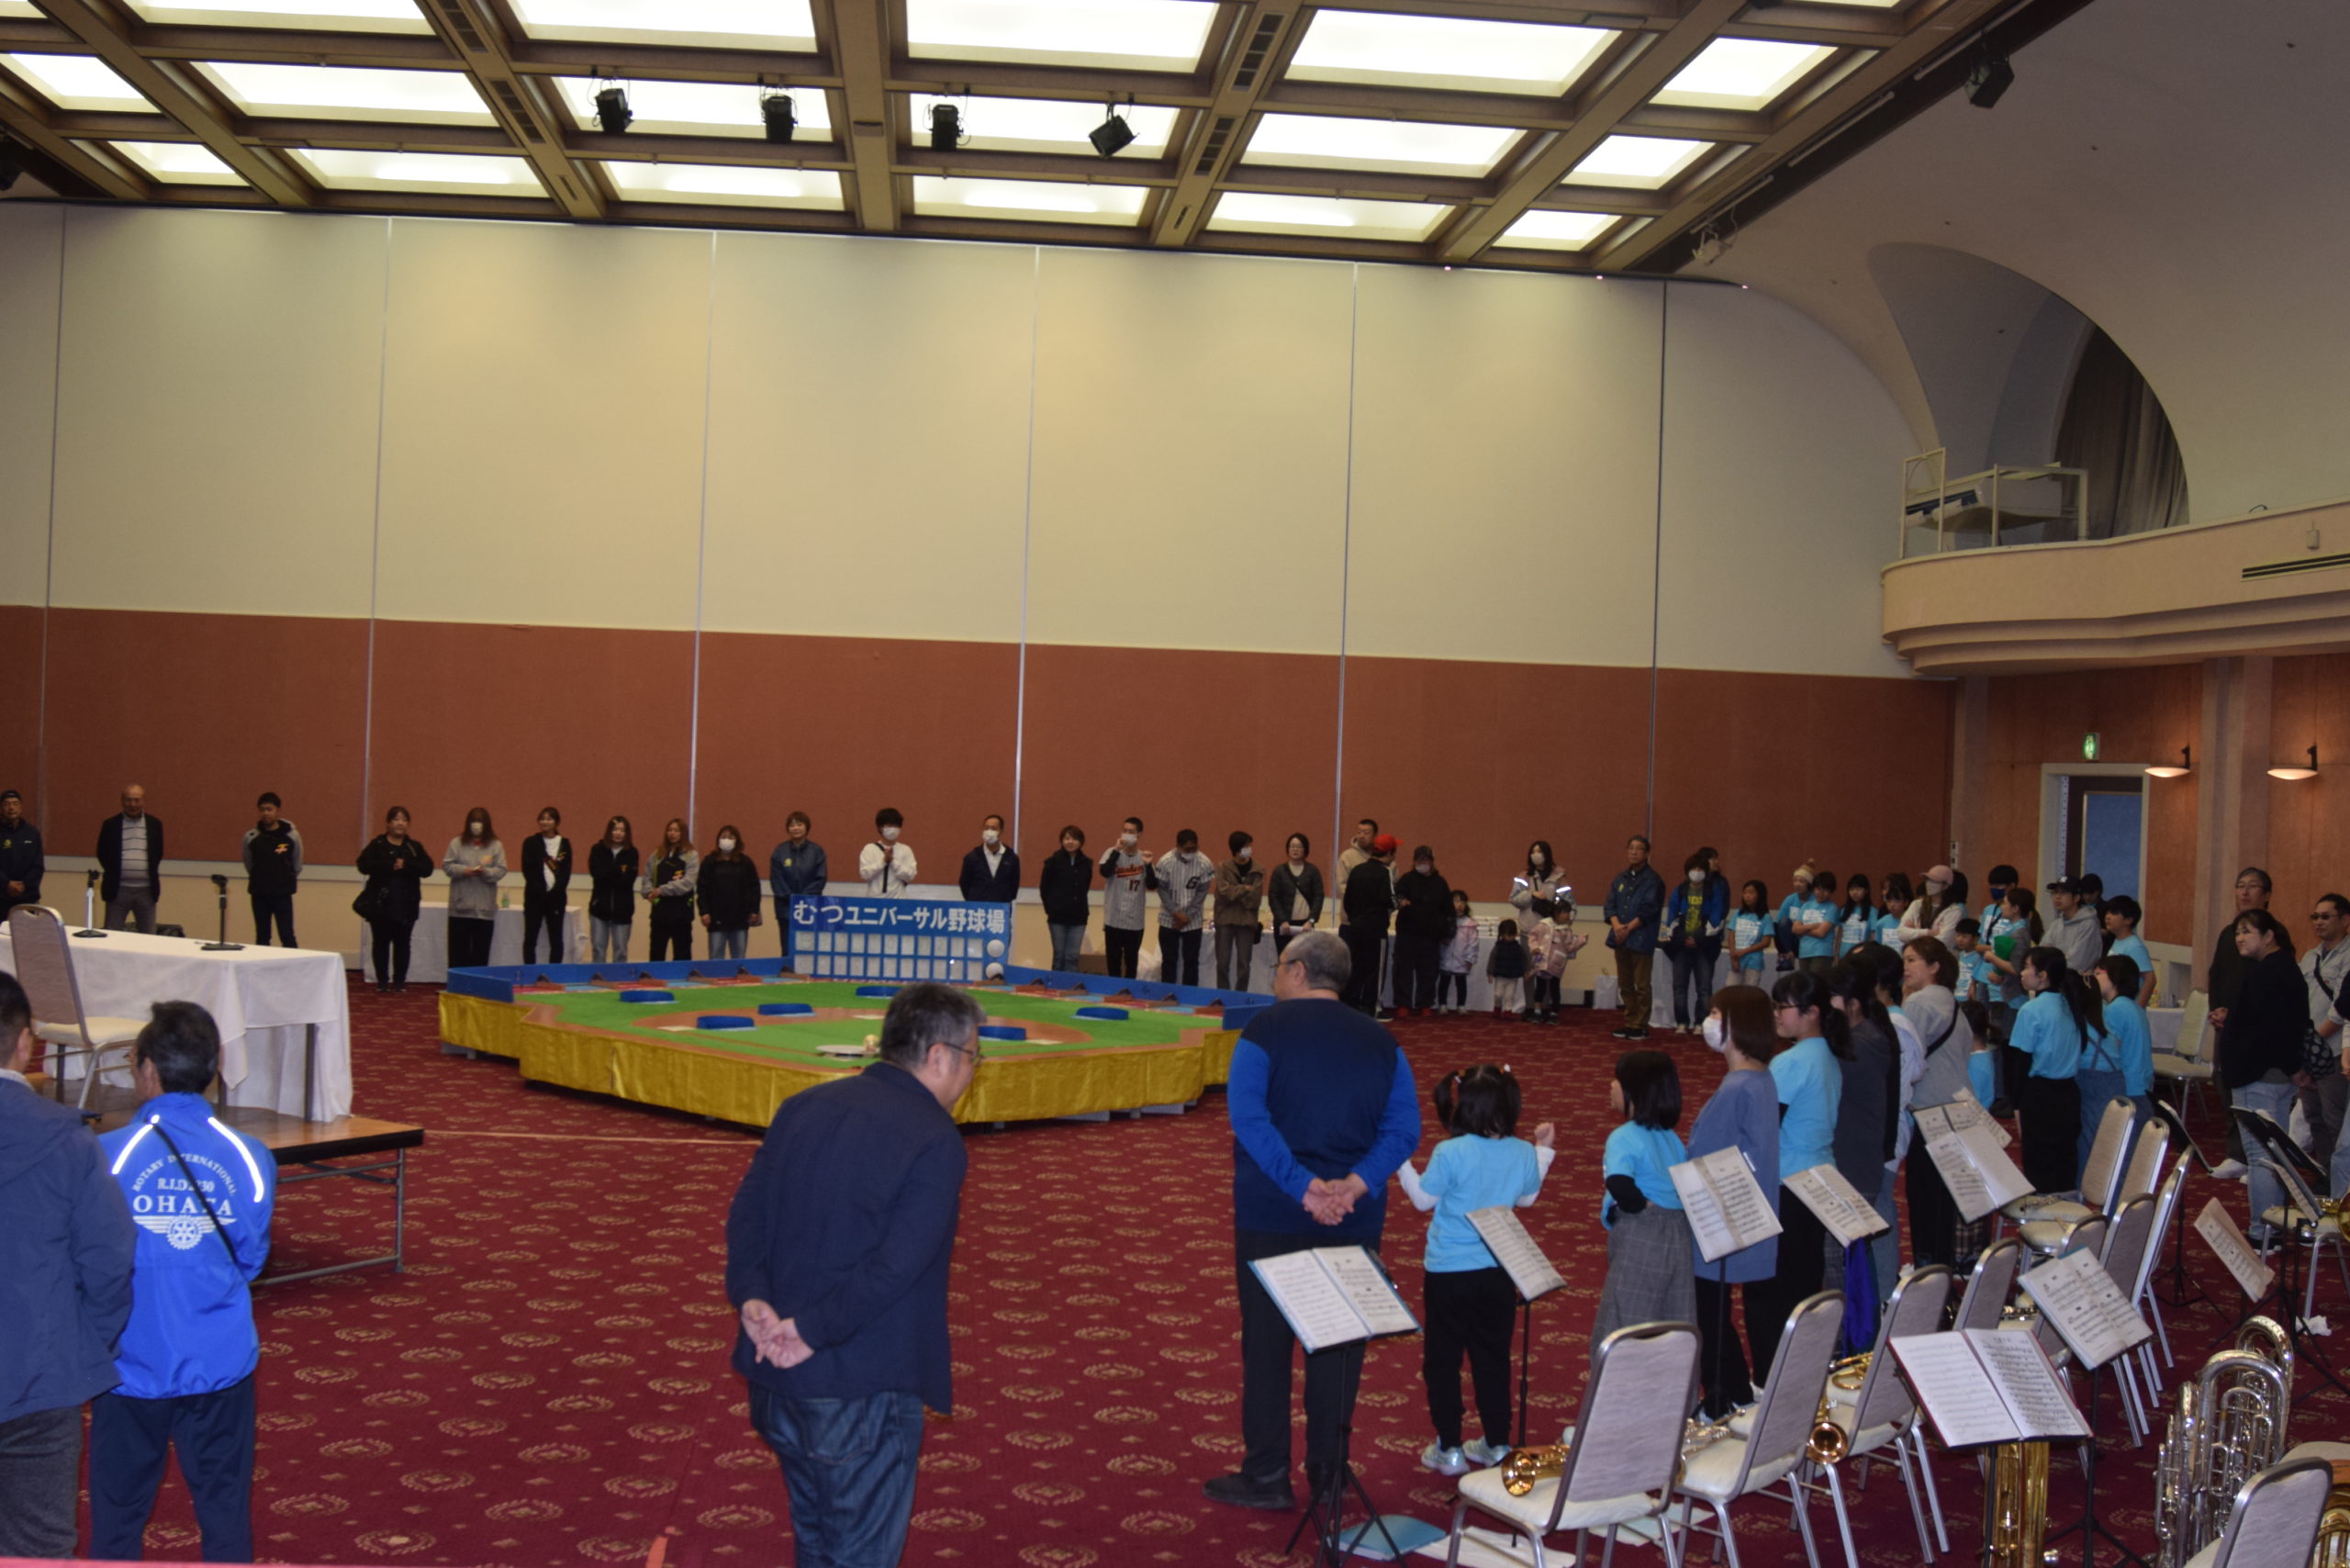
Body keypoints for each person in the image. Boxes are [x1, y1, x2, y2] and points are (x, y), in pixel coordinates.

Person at [724, 982, 985, 1568]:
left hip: (776, 1380)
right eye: (974, 1056)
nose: (974, 1072)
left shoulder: (805, 1105)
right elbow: (896, 1265)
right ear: (939, 1056)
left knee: (816, 1539)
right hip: (857, 1390)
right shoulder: (934, 1139)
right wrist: (810, 1332)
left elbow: (746, 1216)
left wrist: (752, 1298)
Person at [1206, 931, 1419, 1513]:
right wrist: (1354, 1184)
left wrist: (1303, 1187)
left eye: (1280, 966)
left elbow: (1249, 1119)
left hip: (1272, 1212)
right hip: (1354, 1216)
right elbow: (1404, 1130)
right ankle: (1329, 1473)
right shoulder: (1382, 1041)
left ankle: (1267, 1473)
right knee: (1341, 1347)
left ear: (1298, 971)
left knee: (1266, 1348)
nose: (1276, 977)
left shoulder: (1262, 1031)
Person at [91, 1002, 274, 1562]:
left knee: (116, 1523)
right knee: (225, 1515)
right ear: (214, 1067)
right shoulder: (251, 1157)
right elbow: (250, 1260)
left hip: (130, 1365)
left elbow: (92, 1264)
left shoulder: (107, 1156)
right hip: (220, 1362)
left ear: (147, 1069)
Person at [0, 969, 135, 1560]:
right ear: (25, 1042)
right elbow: (109, 1263)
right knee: (38, 1544)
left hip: (42, 1368)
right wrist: (80, 1348)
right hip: (40, 1372)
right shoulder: (70, 1141)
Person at [1395, 1065, 1555, 1473]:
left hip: (1449, 1272)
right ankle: (1497, 1443)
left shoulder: (1452, 1151)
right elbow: (1527, 1198)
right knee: (1493, 1357)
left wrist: (1400, 1162)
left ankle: (1449, 1447)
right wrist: (1542, 1150)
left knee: (1443, 1360)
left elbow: (1422, 1200)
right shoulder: (1522, 1150)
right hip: (1499, 1273)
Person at [1685, 986, 1781, 1418]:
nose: (1709, 1022)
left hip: (1719, 1216)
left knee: (1710, 1314)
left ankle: (1722, 1396)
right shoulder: (1759, 1078)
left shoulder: (1737, 1086)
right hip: (1741, 1208)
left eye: (1715, 1014)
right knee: (1716, 1312)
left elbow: (1706, 1156)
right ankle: (1737, 1390)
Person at [1749, 969, 1844, 1378]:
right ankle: (1800, 1375)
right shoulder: (1827, 1054)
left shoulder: (1791, 1061)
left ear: (1812, 1012)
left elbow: (1765, 1127)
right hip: (1819, 1180)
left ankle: (1770, 1380)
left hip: (1787, 1183)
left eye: (1783, 1007)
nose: (1776, 1015)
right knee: (1803, 1284)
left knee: (1770, 1291)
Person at [2216, 910, 2310, 1249]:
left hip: (2259, 1076)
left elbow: (2275, 1030)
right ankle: (2275, 1227)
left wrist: (2292, 1065)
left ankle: (2262, 1232)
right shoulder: (2283, 967)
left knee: (2261, 1157)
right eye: (2237, 932)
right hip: (2275, 1075)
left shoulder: (2268, 971)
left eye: (2247, 931)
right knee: (2273, 1155)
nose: (2239, 938)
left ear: (2269, 936)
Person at [1591, 1050, 1694, 1346]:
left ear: (1634, 1092)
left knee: (1624, 1326)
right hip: (1678, 1235)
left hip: (1643, 1235)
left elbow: (1618, 1182)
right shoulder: (1670, 1136)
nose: (1611, 1085)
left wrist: (1641, 1206)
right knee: (1672, 1323)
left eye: (1618, 1080)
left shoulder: (1623, 1136)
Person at [1824, 956, 1898, 1314]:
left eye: (1831, 999)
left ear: (1852, 1003)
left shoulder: (1860, 1044)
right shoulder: (1863, 1035)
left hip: (1851, 1167)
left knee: (1839, 1269)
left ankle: (1848, 1338)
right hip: (1856, 1162)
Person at [1899, 936, 1975, 1268]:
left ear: (1934, 967)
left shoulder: (1919, 1003)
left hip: (1931, 1110)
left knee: (1925, 1197)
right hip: (1957, 1106)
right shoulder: (1952, 1002)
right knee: (1945, 1196)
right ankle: (1941, 1266)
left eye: (1912, 960)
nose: (1905, 967)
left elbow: (1907, 1060)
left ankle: (1928, 1269)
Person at [2009, 946, 2098, 1194]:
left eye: (2027, 967)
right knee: (2064, 1159)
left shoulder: (2032, 1010)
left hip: (2040, 1095)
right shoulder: (2069, 1004)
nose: (2022, 973)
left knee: (2039, 1162)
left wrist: (2016, 1105)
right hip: (2068, 1093)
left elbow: (2021, 1062)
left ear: (2043, 975)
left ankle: (2043, 1213)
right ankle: (2067, 1211)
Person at [2208, 868, 2274, 1174]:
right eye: (2240, 886)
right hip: (2226, 1026)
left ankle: (2256, 1160)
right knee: (2226, 1086)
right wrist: (2217, 1010)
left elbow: (2266, 987)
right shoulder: (2227, 934)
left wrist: (2237, 1015)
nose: (2245, 892)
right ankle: (2236, 1153)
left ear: (2267, 895)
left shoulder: (2273, 936)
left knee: (2253, 1093)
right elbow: (2216, 976)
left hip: (2254, 1029)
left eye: (2252, 886)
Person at [2086, 953, 2157, 1157]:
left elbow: (2110, 1052)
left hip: (2128, 1088)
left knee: (2119, 1153)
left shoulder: (2114, 1010)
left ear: (2114, 978)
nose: (2094, 980)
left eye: (2098, 974)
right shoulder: (2133, 1007)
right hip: (2142, 1085)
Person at [2299, 893, 2350, 1173]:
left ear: (2345, 920)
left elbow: (2340, 1010)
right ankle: (2325, 1173)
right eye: (2315, 917)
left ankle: (2340, 1181)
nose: (2318, 922)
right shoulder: (2311, 956)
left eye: (2325, 916)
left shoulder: (2348, 956)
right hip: (2310, 1049)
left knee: (2334, 1119)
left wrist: (2314, 1044)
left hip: (2335, 1052)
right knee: (2314, 1116)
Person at [355, 807, 431, 991]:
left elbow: (427, 869)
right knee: (380, 943)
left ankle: (399, 981)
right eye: (396, 819)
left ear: (408, 824)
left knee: (403, 944)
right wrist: (389, 865)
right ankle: (382, 981)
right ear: (388, 823)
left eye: (404, 820)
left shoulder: (414, 847)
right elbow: (363, 865)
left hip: (406, 904)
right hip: (380, 904)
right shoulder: (377, 845)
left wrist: (407, 865)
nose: (400, 823)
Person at [1603, 835, 1665, 1039]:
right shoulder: (1621, 878)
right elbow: (1610, 905)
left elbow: (1649, 910)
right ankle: (1630, 1021)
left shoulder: (1653, 880)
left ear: (1646, 853)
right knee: (1625, 983)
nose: (1634, 852)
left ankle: (1641, 1024)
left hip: (1641, 937)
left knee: (1642, 985)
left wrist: (1627, 928)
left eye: (1639, 849)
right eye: (1631, 848)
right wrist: (1617, 926)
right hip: (1620, 936)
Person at [1662, 852, 1727, 1034]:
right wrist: (1682, 938)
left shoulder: (1714, 891)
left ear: (1706, 872)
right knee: (1679, 986)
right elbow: (1671, 918)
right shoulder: (1680, 890)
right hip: (1681, 945)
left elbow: (1717, 918)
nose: (1697, 872)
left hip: (1705, 946)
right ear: (1687, 871)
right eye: (1693, 869)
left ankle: (1701, 1022)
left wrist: (1699, 938)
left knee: (1704, 988)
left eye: (1700, 869)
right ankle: (1682, 1022)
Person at [442, 807, 506, 971]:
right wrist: (465, 871)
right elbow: (447, 866)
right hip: (460, 909)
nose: (476, 825)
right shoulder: (457, 843)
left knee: (480, 955)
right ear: (468, 823)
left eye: (480, 821)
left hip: (484, 909)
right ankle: (457, 984)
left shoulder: (496, 845)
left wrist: (486, 872)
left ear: (487, 824)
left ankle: (478, 984)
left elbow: (501, 870)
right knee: (457, 955)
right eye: (474, 821)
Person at [1340, 835, 1398, 1017]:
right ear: (1389, 853)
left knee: (1356, 967)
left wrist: (1355, 917)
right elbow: (1390, 900)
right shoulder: (1385, 873)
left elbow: (1347, 901)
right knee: (1375, 970)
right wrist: (1398, 903)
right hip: (1376, 930)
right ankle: (1371, 1007)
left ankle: (1351, 1005)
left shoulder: (1357, 870)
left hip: (1355, 928)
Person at [1391, 846, 1451, 1017]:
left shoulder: (1441, 883)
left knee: (1429, 972)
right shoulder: (1406, 879)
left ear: (1431, 862)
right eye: (1419, 860)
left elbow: (1448, 911)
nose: (1422, 863)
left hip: (1430, 935)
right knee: (1403, 970)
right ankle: (1403, 1003)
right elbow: (1397, 895)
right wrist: (1401, 900)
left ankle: (1425, 1004)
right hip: (1407, 933)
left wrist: (1447, 933)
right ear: (1414, 861)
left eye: (1425, 860)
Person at [95, 783, 163, 933]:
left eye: (136, 800)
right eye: (128, 800)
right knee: (112, 936)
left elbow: (157, 853)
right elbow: (102, 853)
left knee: (148, 938)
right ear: (122, 801)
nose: (132, 804)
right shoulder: (110, 825)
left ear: (143, 801)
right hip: (118, 891)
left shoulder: (155, 824)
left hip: (146, 892)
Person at [239, 792, 301, 947]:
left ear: (277, 811)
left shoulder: (291, 836)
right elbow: (248, 863)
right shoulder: (251, 837)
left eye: (269, 809)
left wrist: (285, 877)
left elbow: (297, 862)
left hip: (282, 893)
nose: (266, 813)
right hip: (259, 893)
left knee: (287, 934)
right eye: (262, 810)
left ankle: (292, 962)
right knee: (262, 935)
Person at [1155, 830, 1216, 988]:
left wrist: (1187, 916)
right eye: (1187, 849)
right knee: (1169, 960)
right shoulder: (1165, 862)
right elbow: (1161, 889)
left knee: (1191, 961)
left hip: (1193, 921)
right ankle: (1167, 992)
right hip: (1169, 919)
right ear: (1178, 847)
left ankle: (1190, 994)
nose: (1191, 852)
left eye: (1194, 848)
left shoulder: (1204, 863)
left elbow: (1202, 891)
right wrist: (1175, 913)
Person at [1097, 818, 1155, 980]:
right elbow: (1104, 872)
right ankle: (1113, 989)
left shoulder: (1143, 857)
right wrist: (1117, 850)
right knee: (1113, 962)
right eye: (1125, 831)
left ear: (1139, 834)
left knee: (1131, 962)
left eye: (1131, 831)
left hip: (1134, 920)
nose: (1127, 834)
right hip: (1113, 918)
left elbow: (1152, 885)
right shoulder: (1111, 852)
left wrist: (1148, 866)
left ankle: (1129, 990)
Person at [767, 812, 827, 964]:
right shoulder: (780, 851)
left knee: (808, 946)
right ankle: (788, 971)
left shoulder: (816, 851)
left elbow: (820, 878)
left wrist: (803, 899)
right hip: (785, 908)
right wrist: (792, 899)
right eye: (792, 825)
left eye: (799, 824)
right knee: (787, 946)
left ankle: (808, 972)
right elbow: (776, 879)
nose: (796, 828)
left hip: (810, 908)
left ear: (807, 827)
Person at [1213, 832, 1267, 991]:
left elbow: (1255, 899)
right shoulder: (1223, 868)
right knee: (1222, 962)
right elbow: (1223, 894)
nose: (1249, 849)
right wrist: (1245, 889)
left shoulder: (1258, 869)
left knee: (1244, 964)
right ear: (1237, 849)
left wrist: (1235, 892)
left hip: (1246, 921)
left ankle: (1240, 995)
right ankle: (1223, 995)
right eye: (1246, 846)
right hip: (1225, 919)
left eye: (1250, 846)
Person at [641, 818, 699, 964]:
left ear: (683, 833)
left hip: (681, 914)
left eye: (676, 830)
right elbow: (647, 877)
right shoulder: (657, 855)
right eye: (670, 830)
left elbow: (687, 883)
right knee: (657, 953)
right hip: (660, 913)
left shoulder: (691, 855)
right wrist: (648, 892)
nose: (672, 833)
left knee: (682, 954)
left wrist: (662, 890)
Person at [699, 826, 761, 960]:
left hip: (740, 918)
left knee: (739, 958)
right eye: (723, 837)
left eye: (731, 837)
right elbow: (702, 889)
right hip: (716, 918)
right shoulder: (709, 862)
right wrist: (704, 912)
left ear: (737, 841)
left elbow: (755, 888)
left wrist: (754, 910)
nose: (727, 840)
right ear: (718, 840)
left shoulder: (745, 862)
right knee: (715, 957)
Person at [519, 806, 572, 964]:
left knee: (556, 940)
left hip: (556, 899)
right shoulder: (531, 843)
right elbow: (528, 871)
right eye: (542, 819)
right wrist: (541, 893)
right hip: (534, 898)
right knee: (530, 939)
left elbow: (566, 872)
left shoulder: (564, 844)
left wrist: (554, 893)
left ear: (556, 822)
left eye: (549, 819)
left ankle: (553, 973)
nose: (545, 822)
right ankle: (530, 972)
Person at [1036, 825, 1092, 974]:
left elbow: (1085, 888)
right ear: (1062, 841)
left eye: (1074, 839)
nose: (1070, 842)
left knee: (1072, 957)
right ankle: (1055, 985)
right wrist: (1051, 909)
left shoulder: (1087, 863)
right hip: (1057, 917)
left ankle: (1069, 985)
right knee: (1059, 956)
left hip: (1079, 917)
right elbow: (1044, 889)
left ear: (1081, 842)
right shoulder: (1052, 862)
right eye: (1067, 838)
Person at [587, 816, 638, 965]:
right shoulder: (598, 850)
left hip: (623, 909)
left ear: (627, 833)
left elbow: (628, 880)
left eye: (622, 830)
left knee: (621, 950)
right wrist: (617, 872)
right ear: (609, 831)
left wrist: (609, 874)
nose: (618, 833)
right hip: (599, 909)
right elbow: (597, 874)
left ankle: (619, 976)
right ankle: (598, 976)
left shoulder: (632, 853)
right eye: (615, 829)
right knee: (598, 948)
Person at [1267, 833, 1324, 956]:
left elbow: (1318, 896)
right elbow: (1273, 897)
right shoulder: (1279, 871)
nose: (1295, 849)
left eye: (1299, 846)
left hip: (1305, 924)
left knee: (1305, 958)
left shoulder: (1312, 871)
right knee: (1285, 958)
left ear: (1305, 849)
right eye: (1292, 846)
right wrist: (1282, 920)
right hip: (1284, 924)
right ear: (1287, 849)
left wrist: (1311, 920)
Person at [2102, 896, 2156, 1005]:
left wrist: (2137, 1008)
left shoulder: (2134, 946)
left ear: (2128, 920)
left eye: (2114, 913)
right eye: (2107, 912)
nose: (2107, 917)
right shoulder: (2118, 940)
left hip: (2127, 1005)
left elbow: (2150, 979)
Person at [1508, 841, 1568, 937]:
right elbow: (1514, 899)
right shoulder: (1524, 876)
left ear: (1546, 854)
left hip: (1552, 932)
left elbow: (1568, 904)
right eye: (1533, 852)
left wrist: (1564, 924)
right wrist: (1531, 894)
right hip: (1528, 931)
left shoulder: (1559, 877)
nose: (1535, 855)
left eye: (1539, 851)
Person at [2044, 878, 2102, 975]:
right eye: (2055, 892)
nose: (2057, 897)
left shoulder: (2089, 925)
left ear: (2076, 898)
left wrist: (2052, 964)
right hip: (2055, 978)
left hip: (2076, 981)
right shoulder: (2056, 924)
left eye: (2063, 893)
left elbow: (2078, 962)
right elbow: (2042, 953)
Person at [957, 813, 1019, 904]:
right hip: (977, 907)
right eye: (986, 828)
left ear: (1001, 831)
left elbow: (1014, 886)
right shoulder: (972, 857)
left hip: (1001, 908)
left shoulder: (1011, 858)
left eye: (994, 828)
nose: (989, 832)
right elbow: (965, 884)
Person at [0, 789, 43, 917]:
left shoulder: (32, 833)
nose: (11, 808)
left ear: (21, 808)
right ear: (2, 808)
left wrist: (24, 885)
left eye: (15, 803)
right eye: (7, 804)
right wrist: (7, 884)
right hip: (1, 897)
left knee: (26, 930)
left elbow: (38, 866)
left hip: (27, 898)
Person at [1437, 890, 1480, 1014]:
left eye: (1462, 902)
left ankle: (1461, 1005)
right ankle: (1442, 1004)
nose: (1459, 905)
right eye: (1456, 902)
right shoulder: (1445, 921)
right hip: (1446, 958)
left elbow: (1473, 943)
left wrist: (1470, 958)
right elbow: (1439, 939)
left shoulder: (1469, 924)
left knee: (1461, 984)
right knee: (1444, 982)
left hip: (1462, 959)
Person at [858, 808, 916, 898]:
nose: (893, 829)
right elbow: (865, 874)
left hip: (898, 900)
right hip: (874, 900)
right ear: (880, 828)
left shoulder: (905, 850)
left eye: (896, 826)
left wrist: (893, 862)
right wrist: (883, 861)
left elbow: (910, 876)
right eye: (889, 826)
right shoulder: (870, 849)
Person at [1727, 880, 1775, 986]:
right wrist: (1733, 957)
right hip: (1737, 959)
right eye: (1745, 893)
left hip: (1753, 961)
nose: (1747, 896)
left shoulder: (1765, 917)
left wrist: (1744, 951)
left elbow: (1766, 942)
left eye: (1751, 893)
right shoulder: (1738, 913)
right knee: (1731, 989)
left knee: (1750, 991)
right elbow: (1731, 936)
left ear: (1760, 895)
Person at [1793, 870, 1841, 977]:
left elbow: (1821, 933)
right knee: (1804, 983)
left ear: (1831, 892)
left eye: (1826, 890)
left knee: (1817, 982)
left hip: (1822, 953)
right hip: (1804, 952)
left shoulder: (1832, 908)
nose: (1821, 893)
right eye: (1819, 889)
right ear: (1814, 889)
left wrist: (1803, 930)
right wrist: (1812, 926)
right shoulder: (1806, 906)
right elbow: (1795, 929)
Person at [1486, 919, 1526, 1020]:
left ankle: (1508, 1010)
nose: (1509, 938)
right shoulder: (1498, 947)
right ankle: (1497, 1007)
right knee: (1498, 995)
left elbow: (1524, 960)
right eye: (1507, 935)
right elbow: (1492, 959)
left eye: (1512, 935)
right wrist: (1490, 973)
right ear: (1502, 934)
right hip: (1500, 975)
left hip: (1513, 976)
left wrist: (1525, 972)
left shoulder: (1518, 948)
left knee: (1509, 995)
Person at [1834, 873, 1875, 960]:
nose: (1854, 892)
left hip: (1862, 957)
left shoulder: (1872, 911)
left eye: (1858, 889)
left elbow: (1873, 937)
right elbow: (1839, 935)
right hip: (1843, 956)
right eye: (1851, 889)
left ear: (1866, 890)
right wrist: (1836, 955)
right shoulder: (1844, 910)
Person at [1873, 874, 1914, 945]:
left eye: (1896, 901)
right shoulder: (1881, 923)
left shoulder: (1911, 921)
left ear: (1906, 902)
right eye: (1889, 901)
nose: (1892, 905)